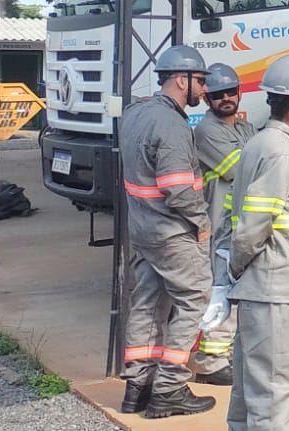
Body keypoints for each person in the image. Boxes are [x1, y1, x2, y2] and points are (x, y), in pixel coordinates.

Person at [217, 54, 289, 430]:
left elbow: (236, 216)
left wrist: (233, 272)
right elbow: (254, 226)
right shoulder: (283, 152)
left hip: (263, 289)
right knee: (279, 392)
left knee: (250, 391)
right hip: (277, 290)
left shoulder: (258, 144)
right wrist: (237, 265)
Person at [117, 45, 216, 418]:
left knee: (147, 304)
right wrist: (202, 223)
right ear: (181, 80)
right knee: (193, 302)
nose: (204, 89)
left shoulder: (134, 113)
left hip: (142, 230)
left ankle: (137, 388)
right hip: (172, 232)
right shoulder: (172, 124)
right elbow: (178, 189)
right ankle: (170, 389)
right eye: (200, 81)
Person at [189, 62, 254, 388]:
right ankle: (209, 363)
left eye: (230, 92)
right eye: (217, 94)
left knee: (237, 293)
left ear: (239, 92)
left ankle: (224, 354)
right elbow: (241, 170)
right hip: (222, 227)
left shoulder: (245, 128)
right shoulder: (207, 131)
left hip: (241, 226)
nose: (225, 98)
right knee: (222, 293)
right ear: (206, 99)